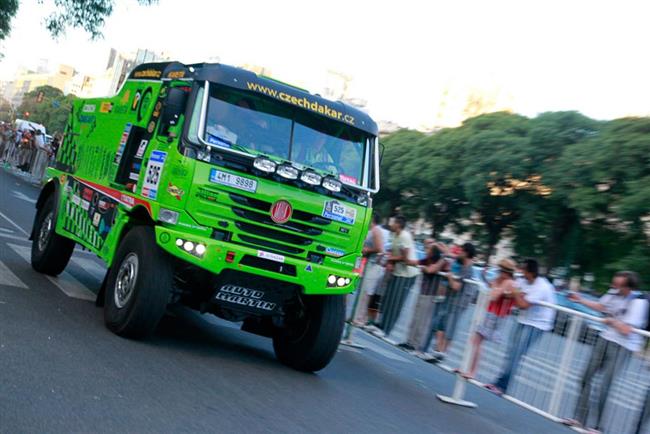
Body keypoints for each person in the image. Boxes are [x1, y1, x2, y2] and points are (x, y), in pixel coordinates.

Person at [563, 271, 648, 433]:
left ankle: (598, 427)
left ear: (628, 287)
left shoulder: (638, 302)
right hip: (605, 339)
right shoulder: (614, 292)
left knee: (604, 386)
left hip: (623, 346)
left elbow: (626, 330)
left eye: (618, 286)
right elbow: (602, 306)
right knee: (585, 377)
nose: (613, 287)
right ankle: (580, 418)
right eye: (613, 284)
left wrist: (611, 321)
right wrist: (580, 300)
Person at [485, 258, 556, 395]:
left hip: (538, 324)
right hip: (524, 319)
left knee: (516, 353)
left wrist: (516, 294)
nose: (520, 272)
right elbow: (511, 295)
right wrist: (516, 294)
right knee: (511, 351)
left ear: (530, 272)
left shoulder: (542, 287)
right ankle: (499, 382)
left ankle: (501, 386)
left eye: (523, 269)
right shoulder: (523, 280)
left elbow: (523, 305)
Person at [457, 258, 517, 379]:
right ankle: (468, 369)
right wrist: (485, 277)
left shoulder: (508, 282)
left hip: (495, 315)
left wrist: (494, 287)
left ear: (506, 272)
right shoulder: (501, 280)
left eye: (501, 271)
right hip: (491, 313)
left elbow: (493, 296)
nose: (499, 273)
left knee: (477, 341)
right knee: (475, 340)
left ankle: (472, 371)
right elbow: (491, 287)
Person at [426, 242, 476, 362]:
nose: (459, 253)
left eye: (461, 251)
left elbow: (456, 287)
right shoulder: (462, 264)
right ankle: (438, 350)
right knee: (441, 323)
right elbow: (451, 257)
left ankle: (442, 351)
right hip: (451, 298)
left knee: (450, 326)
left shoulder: (467, 269)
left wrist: (449, 277)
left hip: (458, 301)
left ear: (466, 253)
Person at [400, 239, 447, 352]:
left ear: (433, 252)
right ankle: (409, 341)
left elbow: (431, 270)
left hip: (430, 295)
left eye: (429, 248)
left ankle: (416, 344)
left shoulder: (440, 261)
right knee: (415, 318)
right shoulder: (426, 260)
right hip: (422, 292)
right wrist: (404, 254)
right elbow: (411, 262)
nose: (426, 250)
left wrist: (424, 268)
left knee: (422, 321)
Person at [376, 215, 418, 337]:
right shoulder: (394, 235)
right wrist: (390, 260)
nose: (391, 224)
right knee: (389, 299)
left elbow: (405, 258)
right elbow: (392, 251)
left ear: (398, 225)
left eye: (393, 222)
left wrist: (390, 259)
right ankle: (382, 325)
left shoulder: (405, 236)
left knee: (396, 302)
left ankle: (386, 330)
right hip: (397, 272)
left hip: (406, 275)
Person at [353, 213, 385, 325]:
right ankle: (357, 316)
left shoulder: (376, 230)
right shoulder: (373, 230)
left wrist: (367, 250)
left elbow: (380, 248)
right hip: (368, 265)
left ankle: (360, 319)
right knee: (363, 291)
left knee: (366, 292)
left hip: (374, 265)